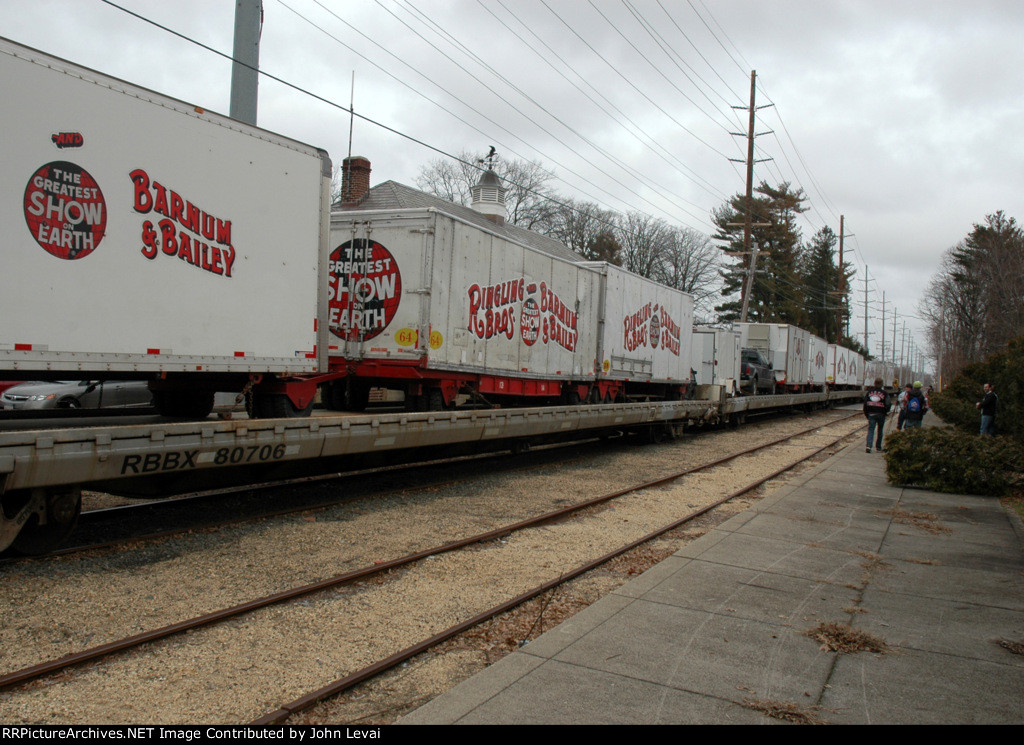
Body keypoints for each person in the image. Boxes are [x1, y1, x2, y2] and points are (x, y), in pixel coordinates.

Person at [863, 377, 890, 452]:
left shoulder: (869, 392)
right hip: (881, 414)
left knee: (871, 430)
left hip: (871, 414)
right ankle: (878, 447)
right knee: (880, 430)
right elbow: (888, 404)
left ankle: (868, 446)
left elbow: (865, 404)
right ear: (882, 384)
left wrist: (866, 414)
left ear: (874, 383)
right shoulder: (885, 393)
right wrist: (886, 412)